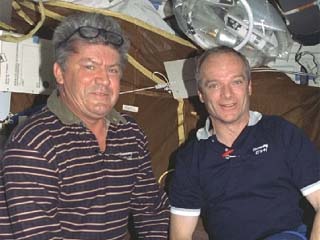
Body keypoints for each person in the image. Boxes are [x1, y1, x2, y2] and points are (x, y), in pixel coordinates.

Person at [0, 12, 169, 239]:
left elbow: (151, 210)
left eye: (113, 70)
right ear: (60, 73)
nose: (103, 80)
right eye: (90, 67)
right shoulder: (33, 144)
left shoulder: (130, 134)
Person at [169, 46, 320, 240]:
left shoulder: (280, 133)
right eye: (214, 85)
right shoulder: (190, 158)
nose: (227, 94)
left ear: (249, 86)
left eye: (236, 82)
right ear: (200, 93)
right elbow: (179, 235)